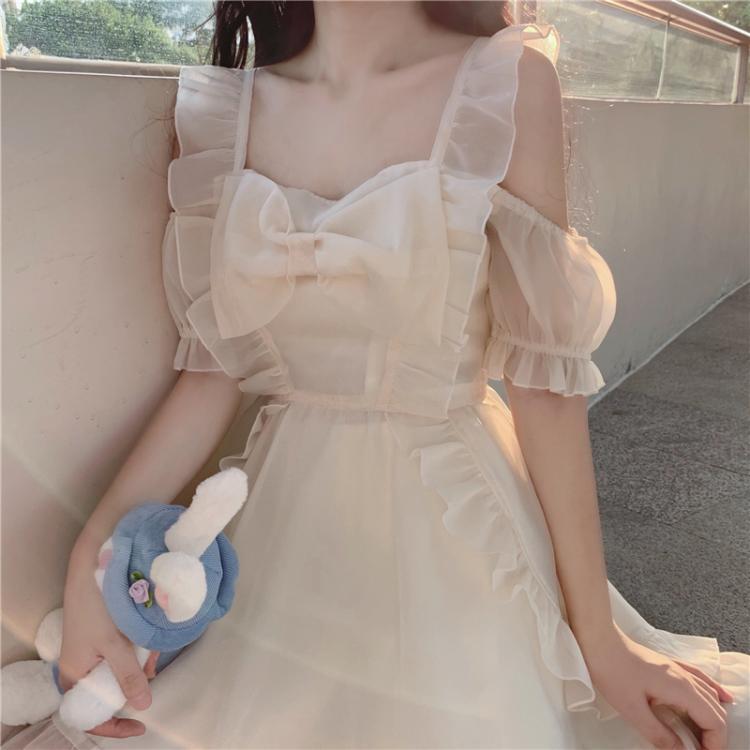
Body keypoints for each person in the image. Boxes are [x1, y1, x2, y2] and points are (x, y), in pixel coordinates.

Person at [7, 1, 748, 749]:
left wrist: (598, 638)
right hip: (280, 533)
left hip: (453, 530)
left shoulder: (506, 82)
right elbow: (210, 373)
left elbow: (544, 391)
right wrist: (91, 557)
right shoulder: (222, 113)